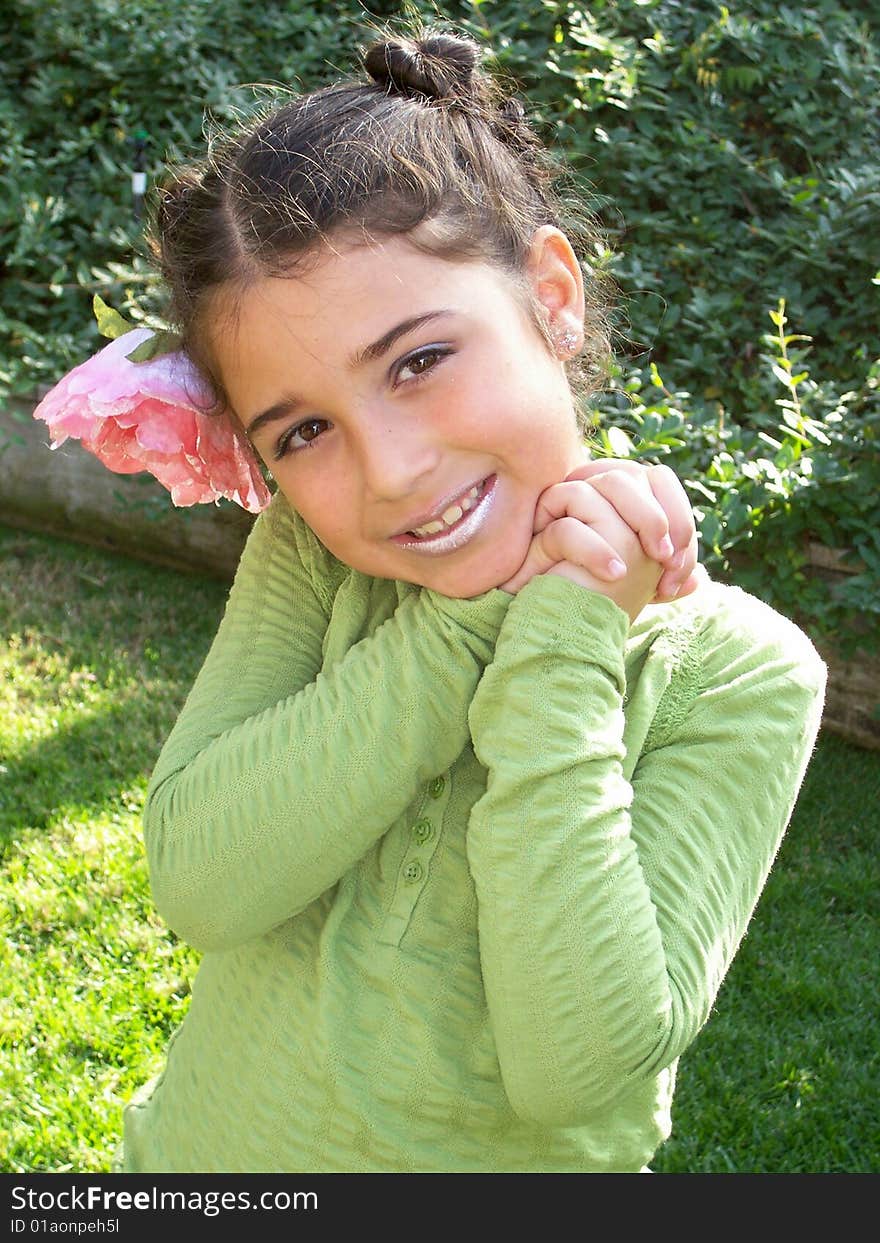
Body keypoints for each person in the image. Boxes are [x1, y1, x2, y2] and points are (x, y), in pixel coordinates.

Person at [36, 27, 826, 1174]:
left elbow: (572, 1066)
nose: (393, 470)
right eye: (304, 431)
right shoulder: (313, 556)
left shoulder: (742, 671)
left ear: (551, 298)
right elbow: (202, 884)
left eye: (417, 360)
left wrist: (562, 632)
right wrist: (468, 621)